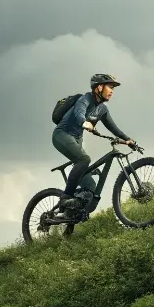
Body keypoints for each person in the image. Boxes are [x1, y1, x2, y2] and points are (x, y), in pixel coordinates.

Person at [53, 73, 135, 214]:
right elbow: (80, 112)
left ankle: (72, 216)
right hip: (62, 135)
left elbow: (113, 128)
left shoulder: (102, 109)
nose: (112, 91)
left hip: (77, 139)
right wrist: (84, 122)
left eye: (113, 88)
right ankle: (65, 198)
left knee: (90, 184)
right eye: (110, 87)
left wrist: (128, 140)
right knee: (84, 159)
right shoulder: (85, 99)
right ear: (99, 87)